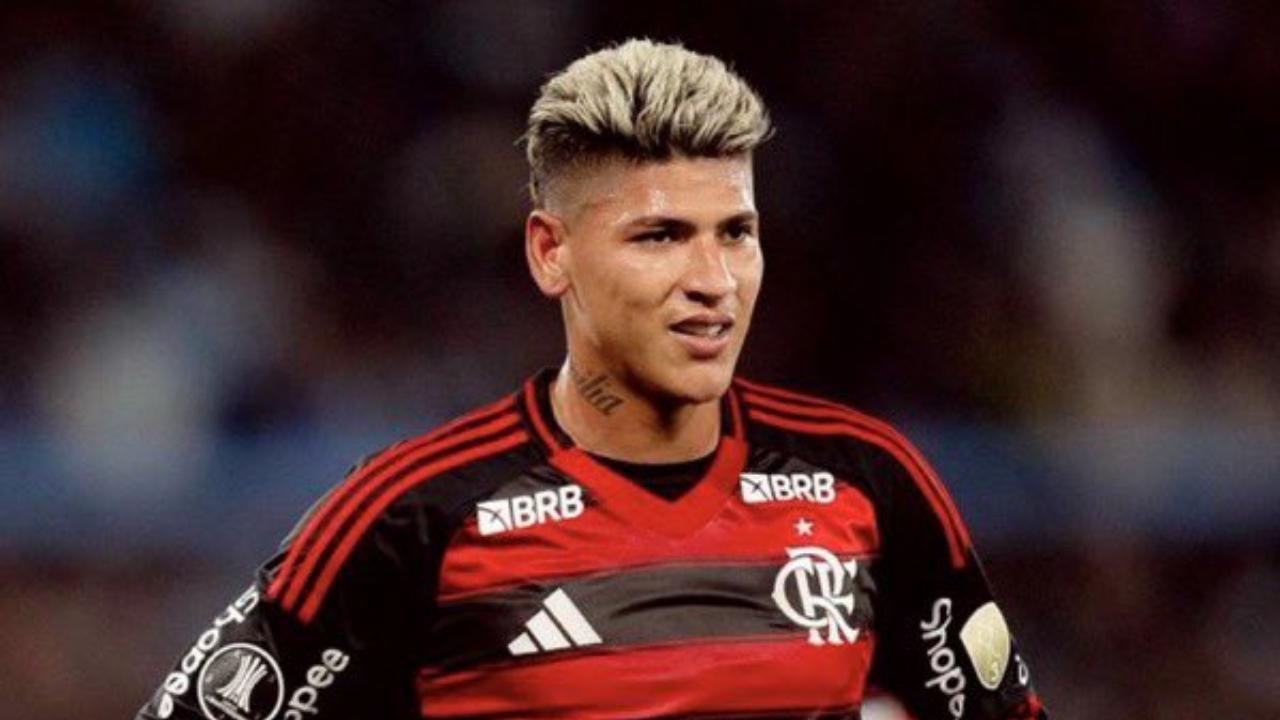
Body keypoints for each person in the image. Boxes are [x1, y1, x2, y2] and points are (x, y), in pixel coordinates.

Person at [136, 39, 1048, 720]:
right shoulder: (411, 515)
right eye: (660, 236)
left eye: (736, 233)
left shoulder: (871, 480)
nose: (713, 280)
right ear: (551, 253)